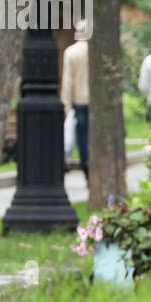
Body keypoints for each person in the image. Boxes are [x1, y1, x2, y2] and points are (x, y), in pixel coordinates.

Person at [60, 23, 90, 184]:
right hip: (94, 101)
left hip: (79, 101)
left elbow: (68, 81)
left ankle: (86, 166)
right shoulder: (95, 51)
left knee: (83, 137)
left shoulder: (71, 53)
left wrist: (66, 104)